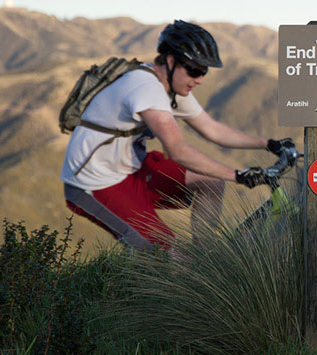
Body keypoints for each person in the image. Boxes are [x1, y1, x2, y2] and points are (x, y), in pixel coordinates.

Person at [61, 19, 293, 251]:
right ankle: (176, 270)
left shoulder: (171, 88)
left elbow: (211, 129)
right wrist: (238, 175)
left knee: (211, 183)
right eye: (194, 70)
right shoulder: (145, 88)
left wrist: (268, 144)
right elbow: (178, 150)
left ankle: (205, 258)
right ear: (170, 61)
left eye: (203, 72)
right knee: (169, 253)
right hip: (94, 185)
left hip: (131, 169)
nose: (199, 79)